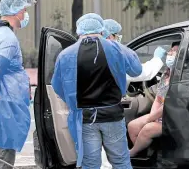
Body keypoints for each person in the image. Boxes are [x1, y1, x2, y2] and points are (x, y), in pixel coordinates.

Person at [51, 13, 142, 169]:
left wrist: (73, 102)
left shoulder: (65, 54)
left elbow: (57, 86)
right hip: (112, 115)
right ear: (102, 30)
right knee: (120, 161)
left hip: (84, 119)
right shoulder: (116, 48)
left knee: (90, 164)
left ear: (79, 32)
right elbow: (136, 70)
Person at [0, 0, 36, 169]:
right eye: (24, 10)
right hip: (4, 112)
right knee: (1, 159)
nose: (25, 14)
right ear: (16, 12)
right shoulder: (8, 39)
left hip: (2, 108)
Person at [128, 43, 178, 157]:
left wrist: (150, 119)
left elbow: (168, 105)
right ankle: (146, 156)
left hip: (173, 118)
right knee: (132, 126)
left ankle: (133, 152)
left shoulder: (181, 77)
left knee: (147, 128)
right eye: (170, 51)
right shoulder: (166, 74)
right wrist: (152, 116)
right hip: (160, 116)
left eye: (174, 52)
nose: (169, 54)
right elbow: (159, 98)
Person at [103, 19, 167, 83]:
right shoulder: (112, 58)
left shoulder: (96, 53)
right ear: (109, 37)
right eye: (117, 37)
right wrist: (157, 58)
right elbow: (142, 73)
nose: (118, 40)